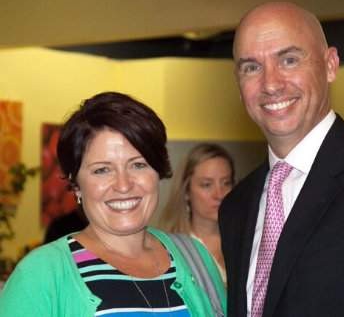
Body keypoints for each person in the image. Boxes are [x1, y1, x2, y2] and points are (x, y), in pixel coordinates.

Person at [219, 2, 344, 317]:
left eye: (288, 60)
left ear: (330, 65)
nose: (271, 84)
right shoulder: (236, 206)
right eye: (251, 67)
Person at [0, 92, 226, 316]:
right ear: (76, 185)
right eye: (102, 170)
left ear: (158, 171)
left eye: (138, 165)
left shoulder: (195, 258)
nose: (124, 185)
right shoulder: (39, 276)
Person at [159, 143, 235, 286]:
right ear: (186, 191)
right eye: (207, 184)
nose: (219, 194)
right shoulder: (170, 248)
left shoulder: (247, 240)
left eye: (226, 183)